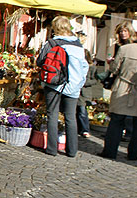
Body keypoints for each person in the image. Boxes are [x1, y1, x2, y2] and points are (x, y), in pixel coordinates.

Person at [40, 16, 88, 157]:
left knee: (52, 115)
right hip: (73, 86)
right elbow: (84, 67)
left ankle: (52, 149)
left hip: (54, 84)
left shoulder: (52, 43)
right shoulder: (78, 45)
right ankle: (72, 150)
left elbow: (40, 61)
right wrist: (79, 83)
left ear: (55, 27)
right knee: (70, 117)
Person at [100, 24, 137, 160]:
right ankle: (134, 154)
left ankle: (110, 151)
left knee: (117, 121)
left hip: (124, 87)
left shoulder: (126, 49)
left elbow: (115, 69)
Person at [76, 50, 97, 138]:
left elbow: (95, 80)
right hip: (76, 91)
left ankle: (85, 129)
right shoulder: (76, 66)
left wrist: (85, 82)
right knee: (76, 111)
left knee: (82, 111)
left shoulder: (92, 68)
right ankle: (78, 128)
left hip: (84, 92)